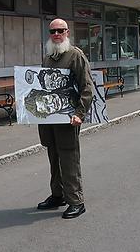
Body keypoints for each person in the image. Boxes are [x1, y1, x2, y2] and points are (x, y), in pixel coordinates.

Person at [36, 18, 93, 219]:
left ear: (67, 32)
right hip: (49, 118)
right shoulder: (48, 57)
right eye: (53, 31)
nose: (57, 34)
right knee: (54, 157)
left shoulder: (75, 55)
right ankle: (58, 195)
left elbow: (87, 87)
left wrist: (79, 113)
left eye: (61, 30)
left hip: (68, 119)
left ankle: (76, 201)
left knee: (69, 158)